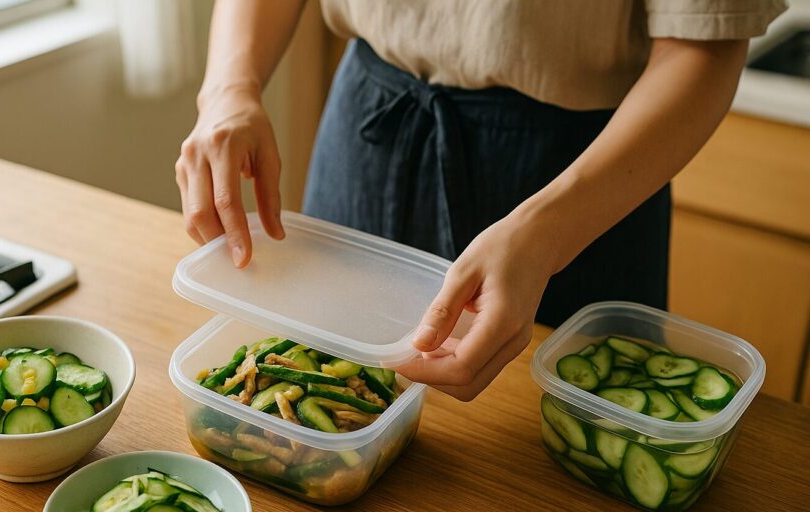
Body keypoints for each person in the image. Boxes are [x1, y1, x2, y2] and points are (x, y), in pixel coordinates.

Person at [176, 0, 786, 401]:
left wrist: (546, 235)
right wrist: (230, 89)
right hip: (369, 127)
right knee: (321, 411)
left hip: (583, 173)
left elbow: (707, 42)